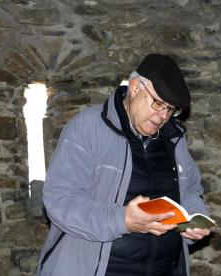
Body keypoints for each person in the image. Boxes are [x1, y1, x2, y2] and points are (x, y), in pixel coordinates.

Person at [36, 53, 211, 276]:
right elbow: (59, 201)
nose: (163, 116)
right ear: (135, 87)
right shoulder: (87, 128)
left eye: (171, 109)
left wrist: (194, 217)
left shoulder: (174, 138)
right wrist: (122, 220)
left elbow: (191, 191)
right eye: (158, 103)